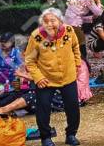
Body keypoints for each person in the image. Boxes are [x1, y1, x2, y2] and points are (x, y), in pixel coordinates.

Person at [23, 8, 82, 146]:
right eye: (46, 21)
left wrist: (77, 65)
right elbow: (29, 60)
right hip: (46, 79)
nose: (49, 24)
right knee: (43, 108)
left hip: (68, 76)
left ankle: (71, 134)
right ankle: (45, 137)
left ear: (60, 21)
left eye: (53, 20)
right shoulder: (36, 36)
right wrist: (38, 77)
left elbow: (75, 47)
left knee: (73, 107)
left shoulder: (69, 31)